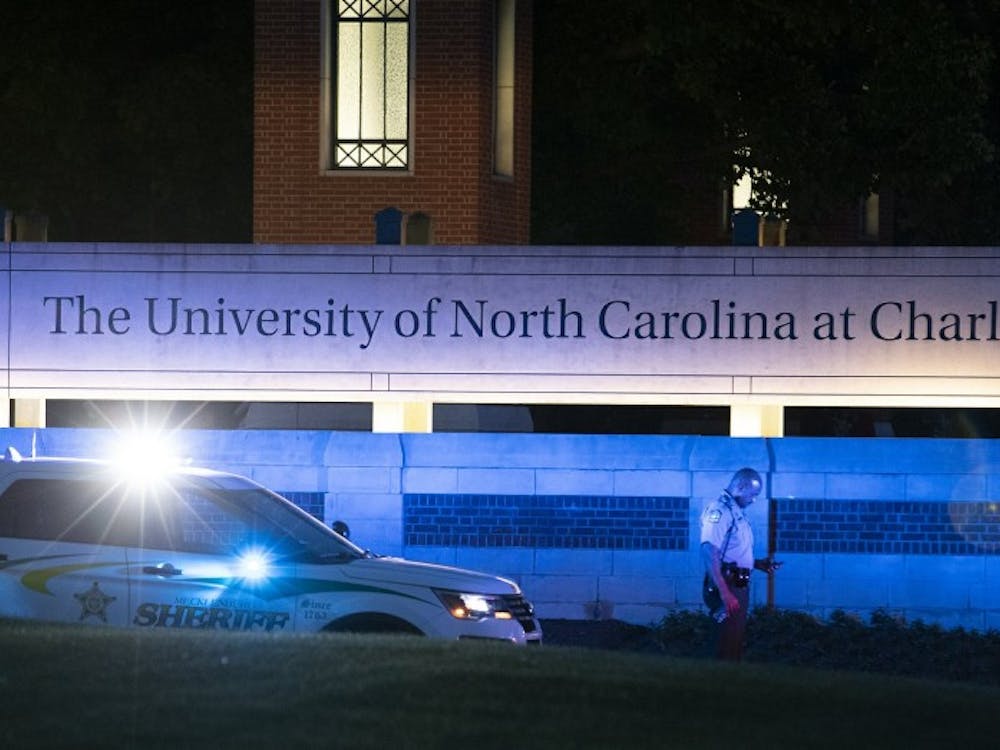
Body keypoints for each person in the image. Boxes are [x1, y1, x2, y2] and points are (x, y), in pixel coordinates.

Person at [700, 467, 781, 660]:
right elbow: (709, 551)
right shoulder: (720, 510)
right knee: (725, 639)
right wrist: (725, 593)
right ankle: (714, 682)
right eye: (753, 494)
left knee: (734, 637)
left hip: (737, 583)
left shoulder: (735, 511)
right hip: (726, 584)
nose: (753, 500)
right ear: (741, 486)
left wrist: (756, 564)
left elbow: (732, 553)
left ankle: (728, 681)